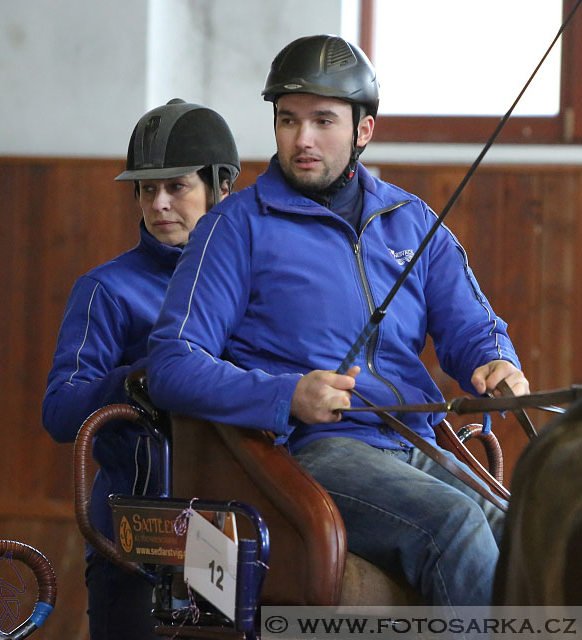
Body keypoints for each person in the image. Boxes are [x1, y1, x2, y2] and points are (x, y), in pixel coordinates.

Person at [146, 35, 528, 607]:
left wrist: (497, 361)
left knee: (523, 533)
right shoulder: (234, 228)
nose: (302, 140)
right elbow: (171, 365)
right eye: (288, 120)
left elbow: (474, 326)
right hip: (313, 450)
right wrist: (287, 395)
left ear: (363, 131)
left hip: (411, 440)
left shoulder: (409, 219)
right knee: (456, 527)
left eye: (323, 120)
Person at [42, 99, 239, 638]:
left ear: (220, 188)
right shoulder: (105, 288)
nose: (160, 203)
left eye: (177, 186)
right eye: (147, 189)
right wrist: (141, 376)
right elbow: (60, 413)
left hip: (229, 528)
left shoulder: (254, 286)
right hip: (134, 530)